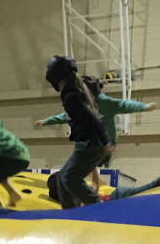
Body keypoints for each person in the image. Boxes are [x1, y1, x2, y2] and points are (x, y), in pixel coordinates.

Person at [35, 75, 157, 190]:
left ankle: (95, 182)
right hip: (92, 141)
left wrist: (143, 107)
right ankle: (96, 181)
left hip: (107, 142)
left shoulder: (104, 102)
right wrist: (47, 121)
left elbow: (124, 104)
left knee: (87, 159)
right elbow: (65, 116)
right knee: (85, 156)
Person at [44, 55, 111, 208]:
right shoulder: (71, 94)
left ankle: (98, 206)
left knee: (69, 178)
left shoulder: (71, 97)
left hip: (90, 143)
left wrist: (106, 141)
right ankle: (70, 212)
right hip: (90, 143)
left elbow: (93, 119)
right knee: (62, 178)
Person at [46, 154, 160, 203]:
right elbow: (94, 183)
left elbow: (93, 184)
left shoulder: (78, 200)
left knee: (152, 188)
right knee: (153, 190)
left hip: (118, 197)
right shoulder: (77, 200)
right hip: (118, 198)